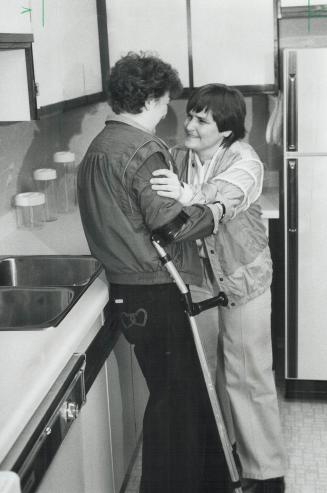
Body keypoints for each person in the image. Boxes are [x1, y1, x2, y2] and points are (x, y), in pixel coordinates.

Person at [77, 54, 230, 493]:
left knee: (174, 394)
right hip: (158, 290)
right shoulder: (143, 150)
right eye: (165, 101)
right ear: (149, 99)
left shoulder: (99, 148)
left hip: (130, 289)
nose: (168, 111)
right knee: (175, 403)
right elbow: (173, 225)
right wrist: (213, 211)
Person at [150, 83, 286, 493]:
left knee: (249, 375)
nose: (189, 124)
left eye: (200, 120)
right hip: (201, 281)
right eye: (190, 115)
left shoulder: (244, 160)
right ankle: (228, 461)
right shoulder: (181, 158)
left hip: (243, 279)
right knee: (212, 376)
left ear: (224, 130)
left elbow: (223, 200)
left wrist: (186, 193)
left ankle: (267, 475)